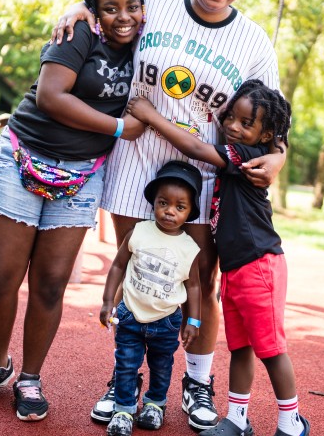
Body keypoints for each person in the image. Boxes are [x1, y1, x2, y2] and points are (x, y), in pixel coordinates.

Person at [52, 0, 287, 431]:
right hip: (137, 166)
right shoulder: (152, 2)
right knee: (140, 273)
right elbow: (108, 14)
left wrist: (277, 158)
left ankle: (197, 384)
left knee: (198, 279)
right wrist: (78, 10)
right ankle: (124, 382)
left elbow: (274, 123)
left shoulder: (253, 43)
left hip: (202, 180)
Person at [0, 0, 146, 422]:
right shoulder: (77, 32)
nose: (124, 17)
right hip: (23, 158)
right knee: (1, 277)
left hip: (82, 175)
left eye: (133, 6)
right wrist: (120, 127)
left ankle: (30, 378)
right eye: (111, 8)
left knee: (49, 284)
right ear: (95, 13)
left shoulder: (149, 42)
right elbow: (50, 96)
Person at [127, 80, 310, 436]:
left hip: (260, 266)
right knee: (240, 347)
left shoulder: (244, 155)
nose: (232, 126)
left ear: (263, 135)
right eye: (231, 117)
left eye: (245, 123)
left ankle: (292, 424)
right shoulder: (248, 151)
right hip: (235, 270)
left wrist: (150, 115)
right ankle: (237, 419)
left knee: (271, 350)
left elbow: (194, 146)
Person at [100, 160, 202, 436]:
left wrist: (194, 320)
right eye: (163, 203)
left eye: (180, 207)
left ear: (190, 212)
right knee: (126, 363)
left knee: (162, 365)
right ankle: (122, 410)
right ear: (153, 203)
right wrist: (108, 301)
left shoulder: (189, 247)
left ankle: (155, 405)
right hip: (130, 314)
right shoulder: (139, 232)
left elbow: (193, 288)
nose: (169, 211)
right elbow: (118, 266)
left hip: (167, 321)